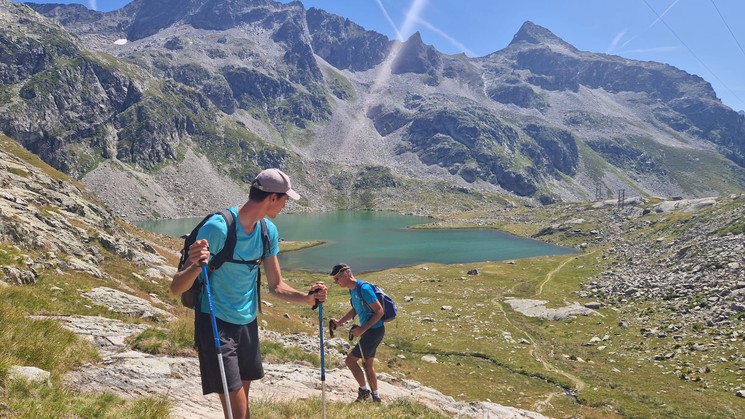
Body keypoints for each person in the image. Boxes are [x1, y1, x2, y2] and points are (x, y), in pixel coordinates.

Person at [171, 168, 327, 419]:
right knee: (239, 412)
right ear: (272, 198)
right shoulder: (218, 228)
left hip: (247, 323)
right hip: (215, 323)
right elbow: (177, 287)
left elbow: (276, 286)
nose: (286, 205)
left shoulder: (267, 231)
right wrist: (195, 266)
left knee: (238, 408)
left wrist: (308, 298)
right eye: (285, 199)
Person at [328, 263, 385, 403]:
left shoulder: (363, 288)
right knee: (367, 364)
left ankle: (365, 392)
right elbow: (355, 309)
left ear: (346, 275)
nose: (336, 282)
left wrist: (362, 329)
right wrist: (339, 322)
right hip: (369, 332)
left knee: (350, 361)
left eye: (337, 279)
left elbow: (379, 311)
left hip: (374, 331)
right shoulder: (353, 290)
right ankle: (376, 397)